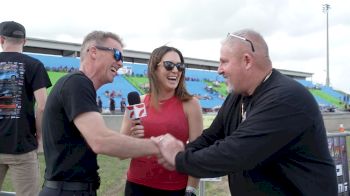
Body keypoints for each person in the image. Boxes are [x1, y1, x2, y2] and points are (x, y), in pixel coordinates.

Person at [154, 29, 338, 195]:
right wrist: (181, 149)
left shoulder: (286, 98)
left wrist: (178, 158)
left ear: (247, 60)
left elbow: (234, 153)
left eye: (224, 62)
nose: (219, 70)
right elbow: (212, 137)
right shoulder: (237, 96)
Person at [39, 31, 159, 196]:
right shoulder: (77, 83)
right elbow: (100, 140)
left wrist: (131, 141)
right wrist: (159, 146)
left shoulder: (79, 85)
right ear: (93, 52)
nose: (120, 63)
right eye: (116, 55)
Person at [120, 46, 203, 196]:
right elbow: (121, 153)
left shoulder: (191, 105)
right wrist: (132, 139)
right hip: (137, 186)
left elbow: (197, 152)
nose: (176, 70)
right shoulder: (137, 103)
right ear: (154, 68)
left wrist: (191, 189)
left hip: (175, 188)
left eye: (180, 66)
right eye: (169, 65)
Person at [0, 21, 52, 196]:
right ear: (24, 40)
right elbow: (43, 105)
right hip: (22, 145)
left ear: (1, 40)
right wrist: (40, 136)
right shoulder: (34, 65)